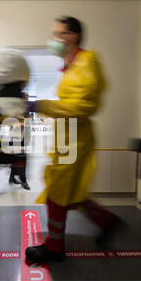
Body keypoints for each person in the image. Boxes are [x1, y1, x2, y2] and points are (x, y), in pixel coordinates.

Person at [25, 16, 125, 264]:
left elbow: (80, 106)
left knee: (58, 192)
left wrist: (38, 104)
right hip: (67, 136)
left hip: (75, 138)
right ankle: (108, 222)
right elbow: (68, 105)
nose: (54, 39)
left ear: (74, 36)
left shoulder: (87, 61)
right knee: (72, 192)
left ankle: (55, 247)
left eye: (59, 33)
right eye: (53, 34)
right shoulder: (70, 66)